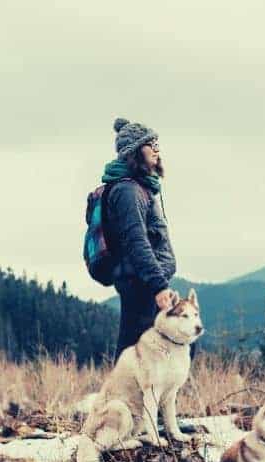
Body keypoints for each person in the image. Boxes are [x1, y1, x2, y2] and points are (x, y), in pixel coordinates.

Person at [102, 117, 177, 361]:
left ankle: (120, 398)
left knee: (135, 353)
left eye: (157, 143)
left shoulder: (138, 187)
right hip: (141, 283)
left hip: (142, 281)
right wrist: (158, 285)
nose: (157, 149)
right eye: (151, 144)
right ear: (135, 151)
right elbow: (136, 242)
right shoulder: (128, 191)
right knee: (141, 355)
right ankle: (118, 398)